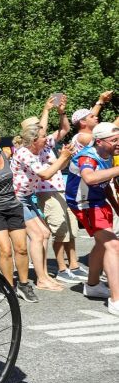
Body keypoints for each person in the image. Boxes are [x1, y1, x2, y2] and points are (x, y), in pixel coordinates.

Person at [10, 125, 74, 291]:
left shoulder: (40, 151)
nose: (47, 139)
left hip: (26, 197)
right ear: (33, 140)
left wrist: (65, 157)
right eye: (44, 136)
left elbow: (57, 167)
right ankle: (41, 279)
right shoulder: (24, 153)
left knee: (45, 233)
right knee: (38, 236)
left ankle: (44, 276)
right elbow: (45, 174)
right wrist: (63, 158)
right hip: (16, 198)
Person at [29, 97, 86, 282]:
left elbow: (65, 129)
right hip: (47, 192)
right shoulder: (31, 151)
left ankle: (74, 264)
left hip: (60, 189)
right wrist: (46, 110)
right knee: (60, 229)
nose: (44, 134)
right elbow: (46, 173)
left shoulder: (47, 145)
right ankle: (62, 268)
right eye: (40, 132)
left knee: (70, 227)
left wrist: (61, 112)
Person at [66, 122, 119, 314]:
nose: (118, 143)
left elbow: (105, 184)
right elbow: (90, 178)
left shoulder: (109, 155)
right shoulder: (87, 157)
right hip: (84, 203)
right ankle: (116, 300)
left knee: (102, 244)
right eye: (114, 140)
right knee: (113, 245)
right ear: (100, 141)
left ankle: (93, 285)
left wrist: (116, 207)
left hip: (98, 199)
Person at [0, 126, 37, 302]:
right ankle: (8, 286)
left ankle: (23, 284)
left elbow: (32, 139)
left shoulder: (7, 155)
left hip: (13, 207)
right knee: (5, 250)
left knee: (21, 248)